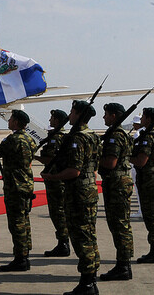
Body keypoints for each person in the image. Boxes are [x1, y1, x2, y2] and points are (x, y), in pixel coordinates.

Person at [42, 100, 101, 295]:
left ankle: (87, 284)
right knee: (89, 235)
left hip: (78, 193)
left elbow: (74, 170)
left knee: (81, 237)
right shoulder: (92, 136)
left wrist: (53, 176)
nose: (70, 115)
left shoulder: (77, 139)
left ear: (78, 114)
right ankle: (90, 280)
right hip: (89, 189)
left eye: (72, 112)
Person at [0, 110, 37, 272]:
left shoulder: (13, 140)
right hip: (26, 185)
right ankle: (25, 253)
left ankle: (20, 258)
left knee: (17, 223)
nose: (9, 121)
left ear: (17, 122)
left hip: (15, 186)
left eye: (11, 119)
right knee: (24, 222)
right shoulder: (29, 139)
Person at [98, 103, 134, 281]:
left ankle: (123, 266)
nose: (103, 117)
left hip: (116, 183)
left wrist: (94, 157)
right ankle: (123, 264)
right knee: (120, 224)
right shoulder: (119, 134)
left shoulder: (115, 136)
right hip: (119, 182)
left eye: (106, 114)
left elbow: (110, 163)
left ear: (113, 116)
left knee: (119, 225)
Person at [131, 107, 154, 264]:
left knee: (152, 215)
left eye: (143, 117)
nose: (141, 119)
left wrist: (126, 155)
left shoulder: (148, 137)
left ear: (149, 119)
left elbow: (141, 161)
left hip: (149, 179)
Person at [34, 109, 70, 257]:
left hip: (56, 180)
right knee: (58, 212)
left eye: (52, 118)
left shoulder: (56, 138)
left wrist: (35, 157)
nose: (49, 121)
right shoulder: (57, 136)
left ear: (57, 120)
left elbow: (51, 159)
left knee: (58, 212)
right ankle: (63, 242)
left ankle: (63, 243)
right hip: (56, 179)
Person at [130, 115, 143, 218]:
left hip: (137, 164)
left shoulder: (138, 134)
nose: (133, 125)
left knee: (139, 189)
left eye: (134, 123)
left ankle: (141, 210)